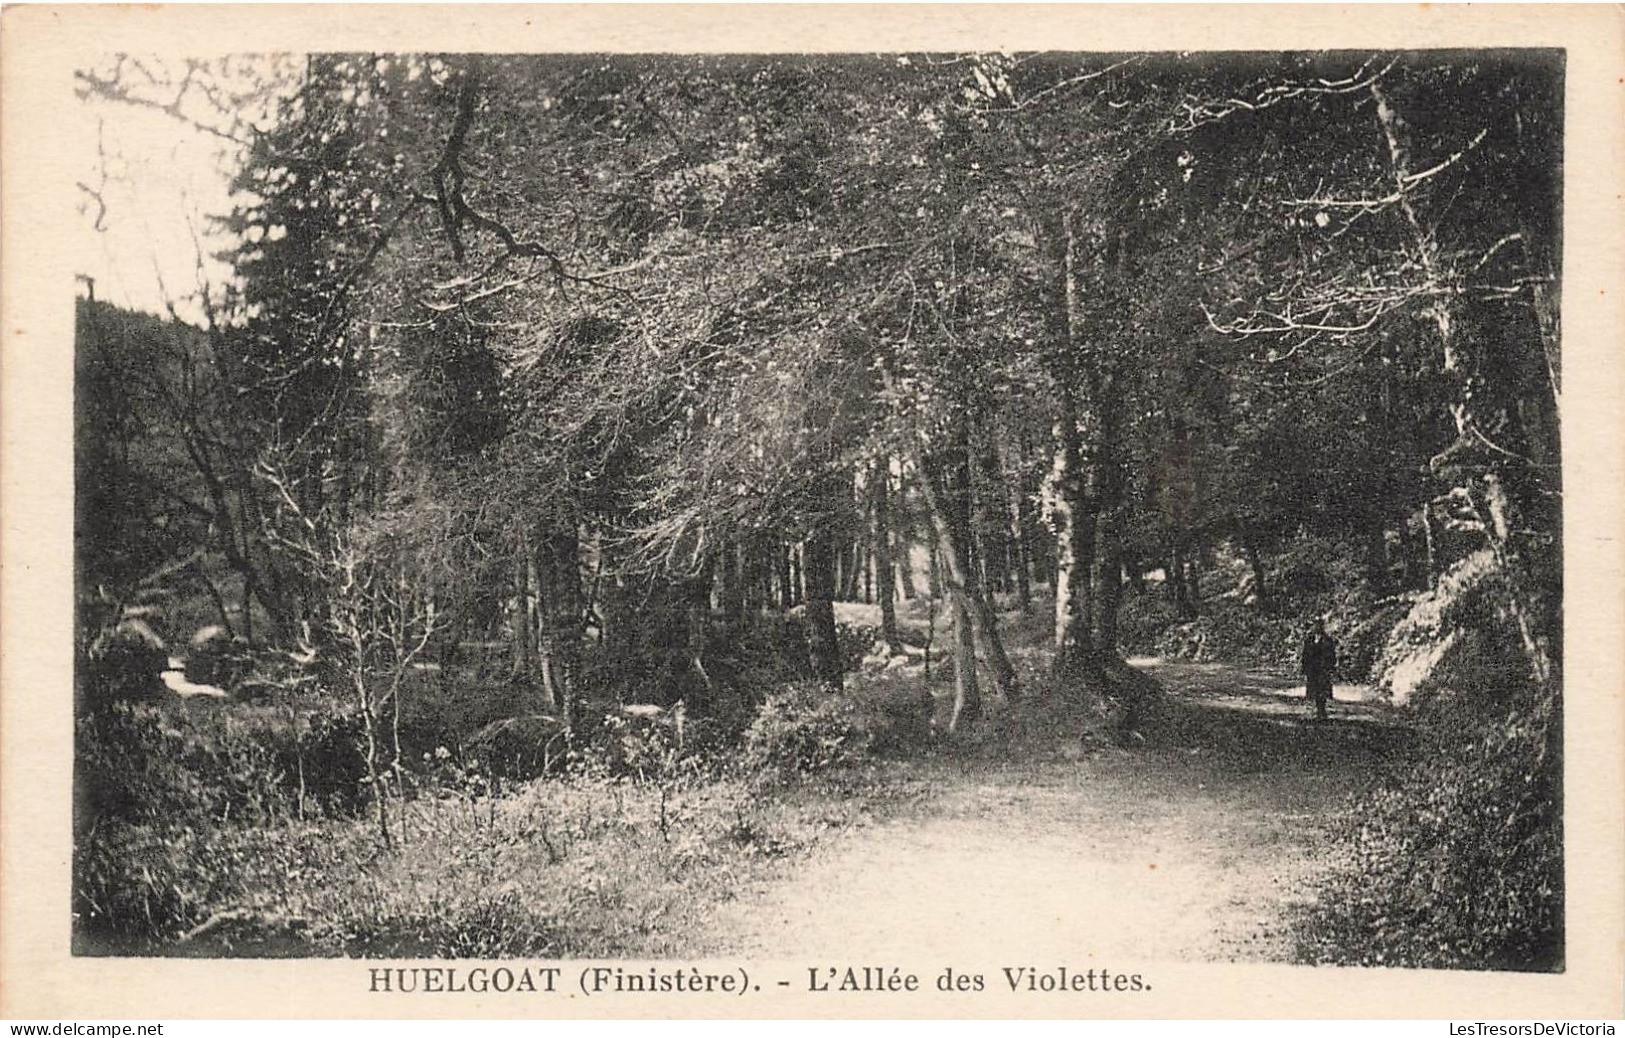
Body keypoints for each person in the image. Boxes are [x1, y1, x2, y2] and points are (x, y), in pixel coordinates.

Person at [1301, 617, 1337, 721]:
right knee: (1314, 689)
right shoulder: (1309, 640)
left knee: (1322, 689)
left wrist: (1330, 667)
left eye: (1319, 625)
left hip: (1323, 668)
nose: (1316, 627)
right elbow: (1305, 655)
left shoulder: (1327, 640)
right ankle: (1316, 709)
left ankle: (1322, 710)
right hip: (1312, 668)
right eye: (1315, 625)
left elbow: (1332, 655)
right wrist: (1304, 667)